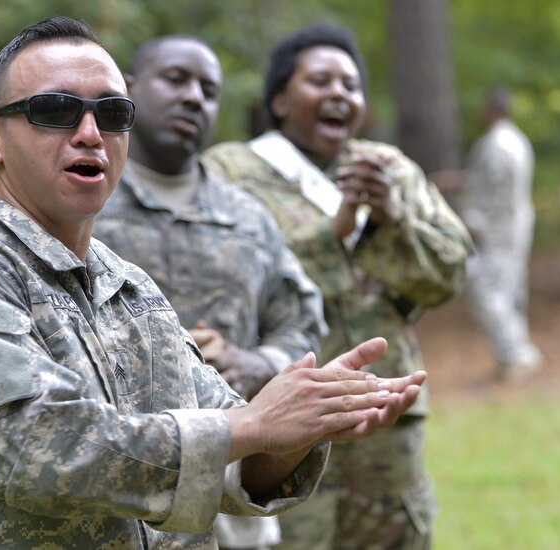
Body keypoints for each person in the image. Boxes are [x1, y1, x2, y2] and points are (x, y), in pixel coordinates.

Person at [0, 17, 427, 549]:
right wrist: (254, 423)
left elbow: (229, 466)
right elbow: (39, 453)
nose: (89, 133)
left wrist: (295, 428)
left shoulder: (130, 289)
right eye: (55, 110)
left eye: (112, 114)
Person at [204, 22, 471, 550]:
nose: (338, 95)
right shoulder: (229, 171)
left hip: (384, 412)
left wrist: (393, 219)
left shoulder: (387, 168)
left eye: (350, 85)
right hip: (283, 418)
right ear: (280, 100)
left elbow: (451, 273)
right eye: (320, 81)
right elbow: (225, 276)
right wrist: (334, 233)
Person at [93, 34, 326, 550]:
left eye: (209, 89)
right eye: (175, 79)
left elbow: (302, 320)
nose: (194, 97)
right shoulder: (85, 202)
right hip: (118, 486)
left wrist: (259, 361)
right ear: (128, 90)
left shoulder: (247, 216)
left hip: (235, 484)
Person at [458, 88, 543, 381]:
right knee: (510, 294)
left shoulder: (496, 144)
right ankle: (514, 354)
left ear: (491, 109)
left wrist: (471, 225)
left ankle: (517, 354)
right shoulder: (517, 141)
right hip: (516, 230)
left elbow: (494, 194)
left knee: (488, 292)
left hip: (497, 234)